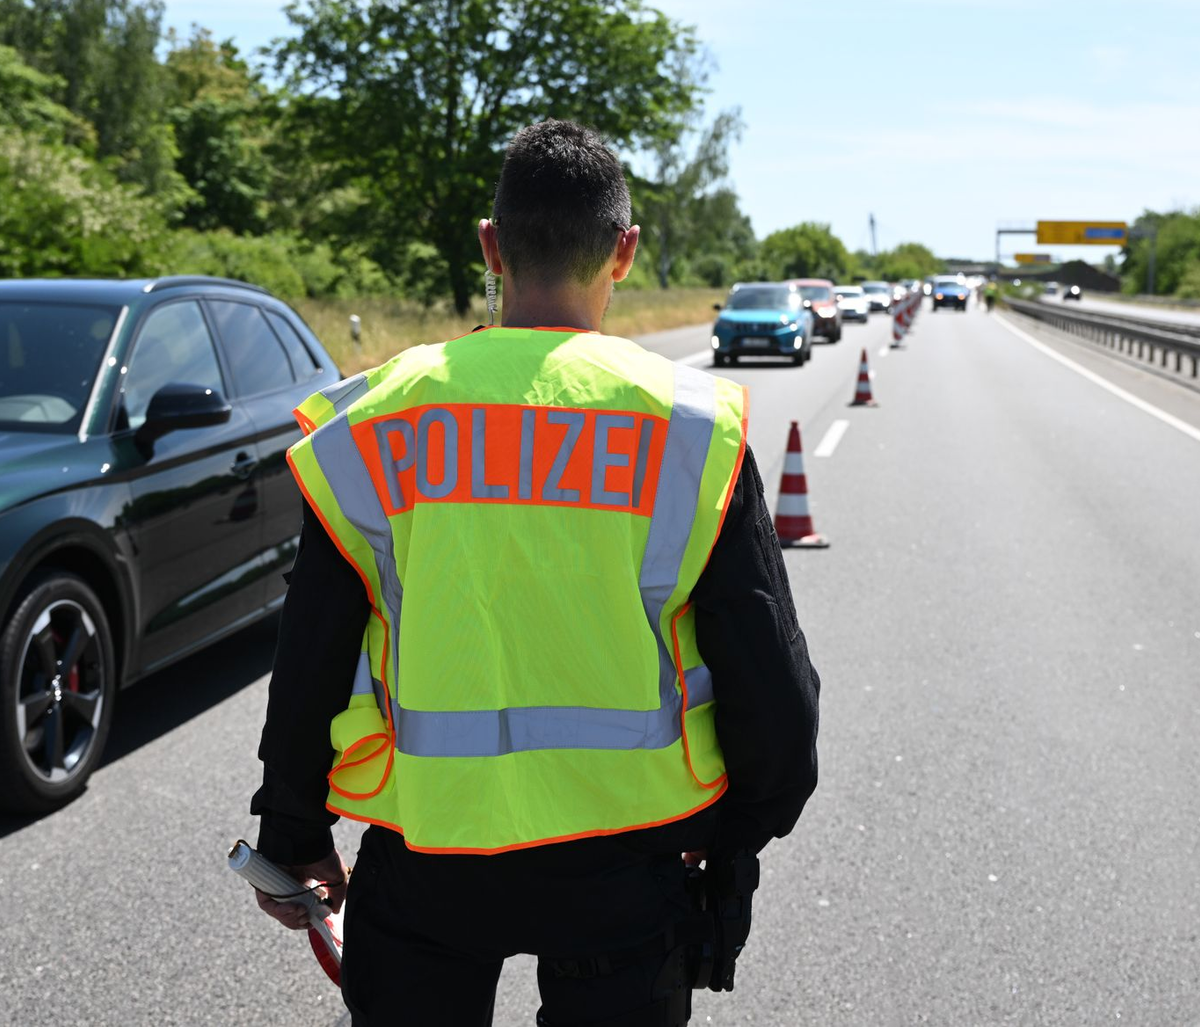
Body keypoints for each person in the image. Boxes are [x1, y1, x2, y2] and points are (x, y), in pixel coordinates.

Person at [248, 119, 820, 1026]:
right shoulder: (689, 427)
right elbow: (770, 680)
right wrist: (738, 834)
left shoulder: (378, 419)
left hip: (425, 853)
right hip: (628, 866)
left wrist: (293, 830)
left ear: (491, 243)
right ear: (625, 252)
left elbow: (311, 645)